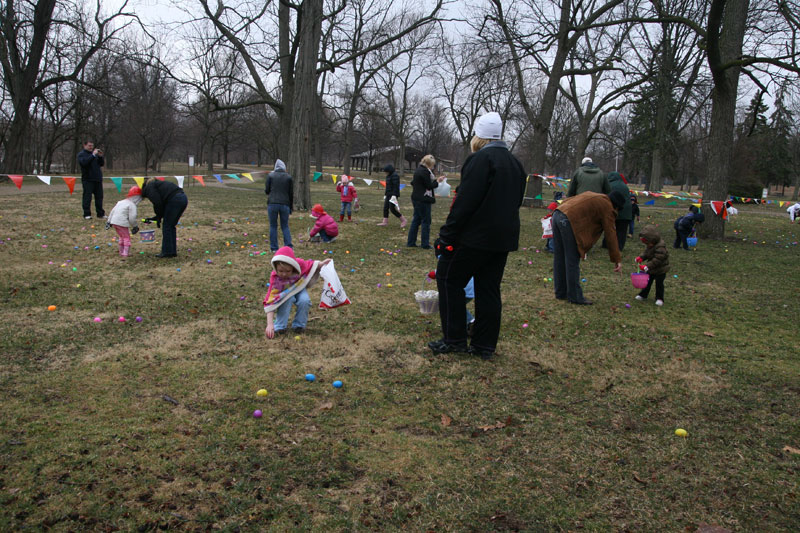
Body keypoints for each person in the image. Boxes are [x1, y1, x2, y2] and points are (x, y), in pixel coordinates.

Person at [429, 111, 527, 360]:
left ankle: (455, 339)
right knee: (489, 288)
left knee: (449, 279)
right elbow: (515, 201)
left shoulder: (480, 160)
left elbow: (465, 203)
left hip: (475, 237)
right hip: (502, 238)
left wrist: (447, 236)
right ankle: (484, 344)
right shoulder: (515, 163)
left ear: (479, 136)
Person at [551, 191, 626, 305]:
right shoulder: (607, 207)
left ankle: (561, 292)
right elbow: (611, 234)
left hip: (558, 214)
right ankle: (575, 296)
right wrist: (617, 259)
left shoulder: (596, 196)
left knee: (560, 257)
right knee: (572, 259)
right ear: (617, 206)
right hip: (567, 220)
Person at [263, 246, 329, 338]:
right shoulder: (276, 279)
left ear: (293, 267)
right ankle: (280, 326)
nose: (284, 274)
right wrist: (270, 324)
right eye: (280, 271)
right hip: (285, 292)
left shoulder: (300, 265)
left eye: (288, 271)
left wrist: (321, 264)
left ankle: (299, 325)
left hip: (298, 287)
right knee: (287, 299)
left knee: (304, 300)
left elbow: (309, 264)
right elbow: (270, 300)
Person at [141, 177, 188, 258]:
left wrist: (159, 216)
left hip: (175, 199)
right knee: (171, 226)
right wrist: (157, 217)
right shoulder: (158, 185)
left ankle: (167, 252)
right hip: (183, 198)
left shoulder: (149, 187)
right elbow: (162, 205)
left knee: (167, 226)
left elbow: (158, 203)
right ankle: (172, 251)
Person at [407, 154, 444, 248]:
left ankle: (411, 242)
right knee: (426, 221)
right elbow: (429, 186)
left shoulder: (418, 170)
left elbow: (413, 182)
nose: (433, 166)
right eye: (432, 164)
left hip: (416, 198)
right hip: (423, 199)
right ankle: (425, 244)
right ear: (429, 164)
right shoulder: (425, 172)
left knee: (416, 220)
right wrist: (438, 181)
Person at [634, 225, 670, 307]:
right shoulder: (651, 245)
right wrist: (641, 257)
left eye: (647, 243)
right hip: (651, 269)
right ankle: (643, 294)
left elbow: (658, 259)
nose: (647, 245)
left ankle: (659, 298)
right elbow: (647, 253)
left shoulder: (661, 247)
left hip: (661, 269)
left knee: (659, 284)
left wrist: (647, 266)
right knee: (647, 282)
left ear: (652, 240)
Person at [265, 159, 293, 251]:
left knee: (273, 226)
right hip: (285, 204)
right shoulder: (288, 177)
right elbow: (291, 193)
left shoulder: (270, 176)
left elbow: (267, 190)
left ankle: (274, 248)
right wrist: (290, 207)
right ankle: (288, 247)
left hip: (272, 203)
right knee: (285, 226)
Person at [105, 186, 141, 257]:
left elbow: (112, 211)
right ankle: (125, 253)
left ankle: (121, 251)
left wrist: (109, 221)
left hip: (114, 222)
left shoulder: (120, 202)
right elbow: (132, 218)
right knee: (126, 237)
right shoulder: (132, 205)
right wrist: (135, 226)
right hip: (122, 223)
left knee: (121, 236)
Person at [77, 140, 105, 219]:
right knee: (87, 197)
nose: (91, 147)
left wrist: (100, 157)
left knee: (99, 197)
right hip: (87, 179)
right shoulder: (81, 155)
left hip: (97, 179)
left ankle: (100, 214)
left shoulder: (95, 155)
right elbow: (84, 163)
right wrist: (92, 155)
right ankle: (87, 214)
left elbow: (101, 164)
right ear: (84, 145)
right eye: (89, 146)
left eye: (92, 146)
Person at [604, 171, 632, 250]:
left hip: (614, 209)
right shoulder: (624, 185)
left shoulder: (609, 185)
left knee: (609, 228)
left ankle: (606, 244)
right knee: (622, 230)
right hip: (626, 211)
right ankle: (620, 246)